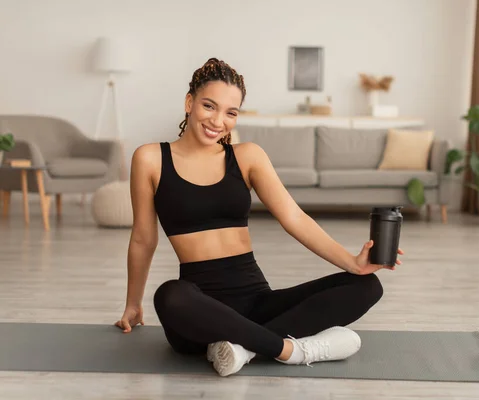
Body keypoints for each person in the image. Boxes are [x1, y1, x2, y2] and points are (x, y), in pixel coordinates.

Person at [114, 58, 404, 377]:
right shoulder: (151, 159)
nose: (218, 120)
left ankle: (243, 349)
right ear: (189, 103)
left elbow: (294, 217)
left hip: (256, 304)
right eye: (209, 106)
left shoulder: (247, 156)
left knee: (366, 287)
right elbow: (143, 238)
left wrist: (352, 263)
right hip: (197, 313)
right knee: (169, 295)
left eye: (230, 112)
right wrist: (133, 303)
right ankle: (289, 350)